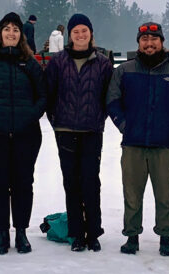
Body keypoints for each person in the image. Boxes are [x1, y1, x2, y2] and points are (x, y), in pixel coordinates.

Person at [106, 22, 169, 257]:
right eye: (145, 39)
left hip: (164, 145)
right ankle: (132, 236)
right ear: (139, 43)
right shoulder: (124, 71)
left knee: (165, 194)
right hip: (133, 144)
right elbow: (112, 101)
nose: (149, 43)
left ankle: (165, 237)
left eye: (154, 39)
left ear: (161, 42)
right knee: (132, 193)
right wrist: (124, 125)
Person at [0, 12, 47, 255]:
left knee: (23, 184)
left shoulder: (31, 63)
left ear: (21, 35)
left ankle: (22, 232)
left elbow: (43, 95)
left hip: (26, 134)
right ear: (0, 33)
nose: (11, 33)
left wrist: (29, 115)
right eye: (7, 29)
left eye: (15, 29)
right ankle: (2, 233)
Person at [44, 14, 113, 252]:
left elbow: (108, 97)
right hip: (64, 130)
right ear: (69, 35)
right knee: (71, 182)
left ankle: (93, 232)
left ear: (91, 34)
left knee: (91, 182)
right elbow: (49, 95)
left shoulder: (103, 63)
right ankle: (76, 233)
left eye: (84, 31)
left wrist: (97, 119)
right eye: (76, 32)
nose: (80, 35)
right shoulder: (58, 62)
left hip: (92, 131)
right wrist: (56, 121)